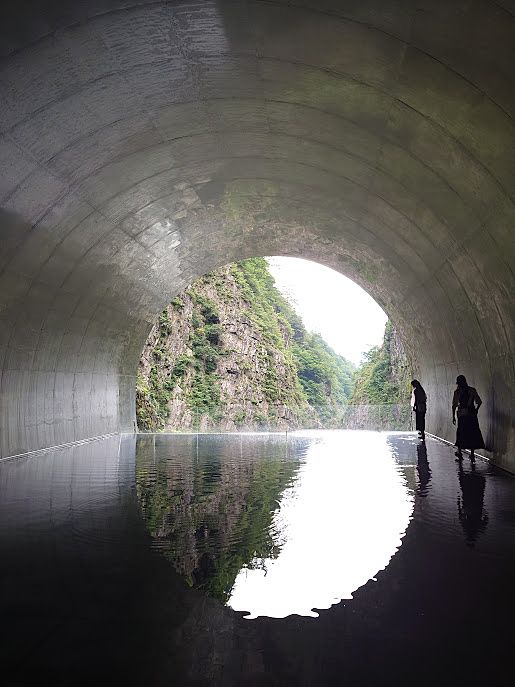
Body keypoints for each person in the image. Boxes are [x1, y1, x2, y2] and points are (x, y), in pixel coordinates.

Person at [452, 375, 485, 461]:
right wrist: (476, 410)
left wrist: (453, 416)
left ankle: (459, 452)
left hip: (462, 415)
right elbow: (479, 402)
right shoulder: (472, 390)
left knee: (461, 432)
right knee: (472, 433)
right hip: (471, 414)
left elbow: (454, 405)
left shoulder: (457, 392)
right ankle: (472, 454)